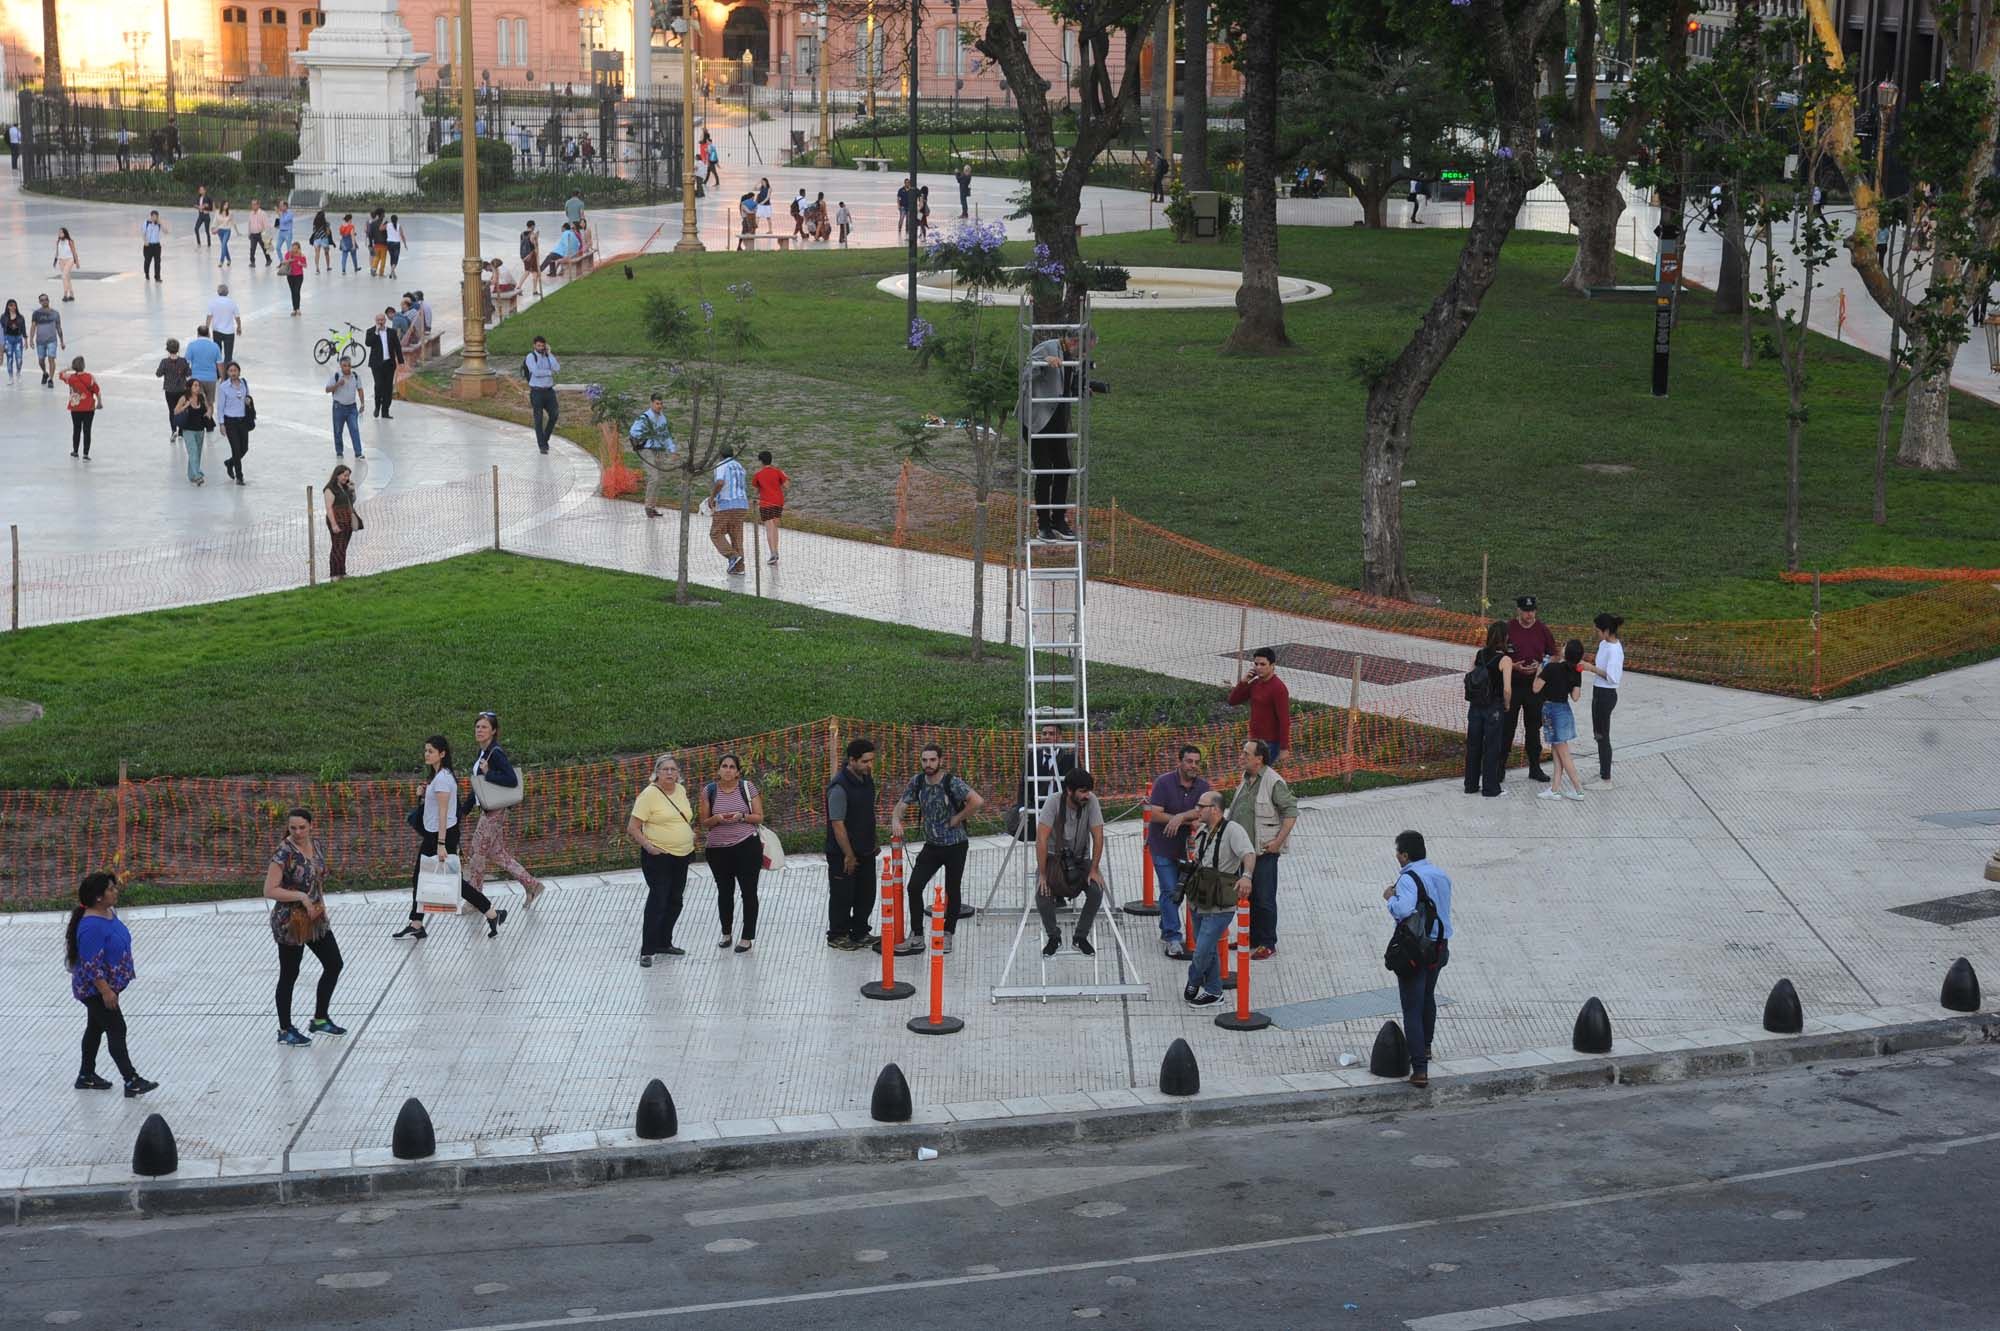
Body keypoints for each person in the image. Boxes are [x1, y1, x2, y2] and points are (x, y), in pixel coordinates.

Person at [396, 734, 507, 940]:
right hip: (437, 834)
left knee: (452, 881)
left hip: (440, 836)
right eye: (426, 750)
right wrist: (422, 794)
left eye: (431, 751)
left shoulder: (443, 780)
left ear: (442, 754)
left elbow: (443, 813)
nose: (426, 754)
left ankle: (491, 912)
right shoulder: (439, 778)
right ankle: (417, 923)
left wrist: (440, 844)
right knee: (421, 878)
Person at [65, 871, 158, 1095]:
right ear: (98, 897)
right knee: (117, 1028)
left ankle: (86, 1075)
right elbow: (90, 965)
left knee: (95, 1028)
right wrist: (106, 991)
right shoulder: (90, 926)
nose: (115, 891)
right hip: (95, 990)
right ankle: (131, 1080)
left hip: (109, 986)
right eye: (110, 889)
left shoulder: (108, 912)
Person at [890, 744, 985, 954]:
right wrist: (896, 820)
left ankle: (947, 933)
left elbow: (977, 801)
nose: (928, 764)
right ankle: (917, 935)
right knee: (914, 887)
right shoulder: (917, 782)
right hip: (932, 846)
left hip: (955, 845)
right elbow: (901, 804)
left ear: (940, 760)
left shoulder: (951, 782)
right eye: (924, 760)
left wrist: (958, 818)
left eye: (932, 760)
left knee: (952, 889)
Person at [263, 807, 346, 1047]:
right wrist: (300, 896)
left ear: (311, 825)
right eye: (293, 828)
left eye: (302, 827)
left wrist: (320, 905)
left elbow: (318, 879)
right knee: (289, 974)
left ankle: (320, 1018)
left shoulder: (316, 845)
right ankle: (285, 1029)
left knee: (334, 963)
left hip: (315, 918)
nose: (298, 832)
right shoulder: (283, 853)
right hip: (290, 922)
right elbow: (269, 890)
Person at [1384, 829, 1452, 1088]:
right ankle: (1425, 1048)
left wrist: (1390, 898)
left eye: (1398, 853)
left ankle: (1420, 1070)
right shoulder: (1441, 875)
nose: (1397, 857)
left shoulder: (1408, 879)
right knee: (1427, 998)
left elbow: (1403, 910)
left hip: (1416, 949)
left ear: (1405, 855)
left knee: (1411, 1006)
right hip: (1439, 946)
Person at [1180, 792, 1255, 1008]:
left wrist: (1246, 877)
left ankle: (1193, 979)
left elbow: (1249, 854)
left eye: (1201, 806)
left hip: (1220, 901)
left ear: (1214, 808)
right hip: (1199, 898)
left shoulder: (1233, 831)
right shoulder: (1203, 830)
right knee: (1208, 948)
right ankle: (1214, 992)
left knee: (1202, 949)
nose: (1197, 809)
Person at [1227, 739, 1297, 961]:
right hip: (1243, 852)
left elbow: (1291, 812)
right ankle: (1250, 937)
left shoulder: (1273, 782)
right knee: (1247, 896)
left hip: (1263, 852)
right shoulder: (1245, 778)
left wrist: (1277, 842)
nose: (1241, 756)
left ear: (1259, 759)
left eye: (1246, 754)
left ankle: (1267, 942)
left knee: (1264, 898)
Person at [1020, 327, 1092, 541]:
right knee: (1044, 471)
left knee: (1064, 467)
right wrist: (1043, 362)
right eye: (1086, 350)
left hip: (1057, 420)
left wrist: (1083, 389)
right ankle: (1043, 526)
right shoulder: (1048, 348)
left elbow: (1066, 385)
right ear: (1074, 342)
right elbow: (1026, 375)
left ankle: (1058, 520)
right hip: (1036, 421)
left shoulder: (1071, 357)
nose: (1086, 355)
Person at [468, 710, 547, 906]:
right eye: (477, 727)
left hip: (495, 811)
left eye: (484, 727)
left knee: (477, 852)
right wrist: (464, 808)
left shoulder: (496, 753)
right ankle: (532, 884)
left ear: (493, 731)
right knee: (496, 853)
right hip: (488, 809)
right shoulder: (483, 752)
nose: (479, 730)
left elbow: (511, 780)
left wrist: (488, 774)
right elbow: (479, 784)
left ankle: (475, 900)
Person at [628, 752, 695, 966]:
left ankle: (664, 942)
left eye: (673, 769)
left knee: (676, 900)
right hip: (659, 857)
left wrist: (688, 834)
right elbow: (633, 827)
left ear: (678, 774)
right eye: (665, 769)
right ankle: (647, 949)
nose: (669, 773)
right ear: (656, 773)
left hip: (682, 855)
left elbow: (681, 817)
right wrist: (649, 846)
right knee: (658, 900)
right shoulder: (649, 795)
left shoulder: (681, 790)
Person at [1143, 744, 1210, 958]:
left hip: (1189, 850)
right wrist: (1183, 818)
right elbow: (1155, 814)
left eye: (1197, 762)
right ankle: (1173, 937)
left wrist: (1179, 817)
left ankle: (1166, 924)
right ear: (1179, 762)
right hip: (1162, 846)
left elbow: (1204, 812)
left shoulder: (1203, 786)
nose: (1193, 766)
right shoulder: (1163, 783)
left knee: (1178, 893)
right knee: (1170, 890)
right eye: (1189, 761)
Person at [1036, 768, 1106, 957]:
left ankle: (1080, 936)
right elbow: (1041, 838)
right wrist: (1042, 874)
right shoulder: (1053, 802)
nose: (1087, 795)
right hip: (1053, 858)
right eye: (1082, 791)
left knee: (1096, 889)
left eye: (1089, 790)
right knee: (1042, 894)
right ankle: (1053, 936)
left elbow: (1098, 836)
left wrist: (1094, 869)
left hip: (1080, 858)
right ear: (1069, 791)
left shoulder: (1091, 802)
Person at [700, 753, 765, 953]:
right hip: (718, 850)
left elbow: (759, 816)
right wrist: (717, 818)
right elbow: (704, 822)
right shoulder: (709, 791)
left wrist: (742, 816)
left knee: (748, 892)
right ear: (718, 770)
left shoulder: (747, 787)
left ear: (738, 772)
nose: (727, 770)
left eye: (731, 767)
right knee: (725, 892)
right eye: (724, 766)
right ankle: (726, 932)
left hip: (746, 846)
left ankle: (747, 936)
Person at [824, 738, 880, 950]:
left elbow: (867, 814)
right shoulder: (839, 787)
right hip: (843, 854)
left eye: (871, 761)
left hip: (865, 851)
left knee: (866, 894)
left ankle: (860, 932)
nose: (869, 765)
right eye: (865, 761)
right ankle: (837, 935)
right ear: (852, 760)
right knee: (842, 895)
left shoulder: (866, 779)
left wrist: (872, 842)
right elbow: (838, 825)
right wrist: (848, 855)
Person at [1504, 595, 1558, 783]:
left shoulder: (1542, 629)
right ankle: (1500, 767)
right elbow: (1497, 654)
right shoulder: (1508, 628)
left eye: (1533, 611)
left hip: (1534, 687)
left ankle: (1535, 767)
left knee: (1533, 728)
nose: (1530, 614)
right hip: (1513, 685)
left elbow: (1554, 655)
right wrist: (1513, 665)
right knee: (1507, 727)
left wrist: (1541, 665)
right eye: (1526, 611)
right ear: (1518, 610)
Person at [1463, 621, 1515, 798]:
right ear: (1505, 638)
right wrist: (1507, 704)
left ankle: (1470, 784)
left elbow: (1470, 676)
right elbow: (1507, 688)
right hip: (1494, 707)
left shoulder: (1479, 654)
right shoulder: (1505, 660)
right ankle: (1490, 787)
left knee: (1473, 745)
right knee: (1492, 747)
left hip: (1476, 705)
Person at [1532, 639, 1588, 802]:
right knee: (1557, 752)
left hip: (1551, 711)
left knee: (1564, 754)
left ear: (1566, 652)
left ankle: (1578, 790)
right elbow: (1575, 697)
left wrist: (1539, 669)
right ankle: (1555, 789)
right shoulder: (1576, 671)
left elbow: (1536, 688)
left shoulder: (1551, 667)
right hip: (1565, 710)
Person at [1579, 612, 1625, 787]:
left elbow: (1613, 677)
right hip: (1598, 692)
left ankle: (1606, 779)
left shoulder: (1614, 650)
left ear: (1606, 630)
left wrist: (1591, 668)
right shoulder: (1604, 644)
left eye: (1598, 631)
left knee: (1602, 735)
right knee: (1598, 735)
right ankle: (1602, 772)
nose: (1596, 634)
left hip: (1606, 694)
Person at [1227, 647, 1292, 768]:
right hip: (1253, 740)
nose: (1258, 667)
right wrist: (1243, 682)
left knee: (1259, 774)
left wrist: (1284, 748)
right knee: (1250, 772)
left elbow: (1284, 720)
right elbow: (1232, 701)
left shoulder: (1278, 688)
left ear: (1272, 665)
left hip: (1270, 743)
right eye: (1256, 664)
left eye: (1263, 664)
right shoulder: (1255, 683)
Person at [630, 393, 677, 517]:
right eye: (657, 403)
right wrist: (648, 434)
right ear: (651, 403)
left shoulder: (662, 418)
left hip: (659, 450)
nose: (659, 406)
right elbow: (634, 431)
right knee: (654, 477)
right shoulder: (644, 418)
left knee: (658, 479)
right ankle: (648, 506)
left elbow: (666, 435)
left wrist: (672, 449)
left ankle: (652, 506)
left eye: (661, 403)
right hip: (647, 449)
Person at [709, 444, 750, 574]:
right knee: (736, 536)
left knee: (716, 533)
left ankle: (732, 556)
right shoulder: (739, 466)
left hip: (726, 503)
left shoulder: (721, 465)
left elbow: (720, 482)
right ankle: (739, 568)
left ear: (720, 455)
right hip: (742, 504)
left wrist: (712, 497)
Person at [58, 356, 103, 460]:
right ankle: (86, 453)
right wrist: (99, 403)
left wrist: (68, 368)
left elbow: (60, 374)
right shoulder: (90, 377)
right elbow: (97, 391)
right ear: (84, 366)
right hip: (88, 408)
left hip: (75, 408)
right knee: (87, 430)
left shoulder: (71, 378)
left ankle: (75, 451)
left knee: (76, 429)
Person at [215, 360, 252, 483]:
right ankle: (239, 476)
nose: (233, 373)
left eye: (235, 370)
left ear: (239, 371)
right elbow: (220, 407)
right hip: (230, 421)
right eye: (230, 371)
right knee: (236, 449)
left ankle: (230, 462)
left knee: (244, 448)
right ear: (227, 373)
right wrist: (221, 424)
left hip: (243, 420)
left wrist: (248, 401)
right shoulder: (224, 387)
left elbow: (248, 397)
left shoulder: (244, 384)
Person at [322, 463, 361, 577]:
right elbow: (329, 508)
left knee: (343, 547)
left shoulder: (345, 487)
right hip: (337, 519)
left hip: (347, 519)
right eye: (344, 475)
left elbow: (351, 501)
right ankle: (335, 574)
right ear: (337, 475)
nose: (346, 478)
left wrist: (352, 490)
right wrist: (334, 524)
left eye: (348, 476)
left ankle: (342, 573)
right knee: (337, 547)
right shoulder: (329, 489)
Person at [751, 449, 789, 562]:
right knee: (775, 527)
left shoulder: (758, 475)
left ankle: (772, 553)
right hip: (778, 502)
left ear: (761, 462)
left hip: (765, 503)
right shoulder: (778, 472)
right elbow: (787, 485)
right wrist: (785, 476)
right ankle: (776, 550)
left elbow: (755, 491)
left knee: (769, 528)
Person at [325, 356, 366, 457]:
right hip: (338, 407)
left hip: (352, 407)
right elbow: (327, 389)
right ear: (341, 366)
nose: (347, 368)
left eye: (349, 366)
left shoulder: (355, 376)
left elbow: (360, 389)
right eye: (344, 366)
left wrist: (362, 403)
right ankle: (339, 452)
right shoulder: (336, 376)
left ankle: (358, 453)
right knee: (338, 430)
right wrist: (337, 384)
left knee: (355, 429)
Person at [524, 335, 559, 450]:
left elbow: (557, 368)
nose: (541, 347)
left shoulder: (547, 356)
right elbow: (536, 372)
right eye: (538, 345)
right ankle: (542, 445)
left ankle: (545, 438)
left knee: (554, 415)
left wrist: (550, 353)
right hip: (537, 392)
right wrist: (549, 372)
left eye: (543, 346)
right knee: (538, 419)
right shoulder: (530, 357)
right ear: (534, 345)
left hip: (549, 392)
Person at [174, 381, 213, 486]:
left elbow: (208, 407)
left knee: (198, 453)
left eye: (198, 385)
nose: (197, 387)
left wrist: (209, 412)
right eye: (195, 385)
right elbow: (176, 412)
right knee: (193, 451)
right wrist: (185, 406)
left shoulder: (201, 397)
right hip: (188, 430)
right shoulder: (184, 398)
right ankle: (197, 475)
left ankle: (191, 475)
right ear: (190, 387)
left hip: (200, 429)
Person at [366, 310, 402, 419]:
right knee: (379, 386)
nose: (380, 322)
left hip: (389, 364)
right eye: (378, 320)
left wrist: (401, 361)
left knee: (388, 388)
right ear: (375, 321)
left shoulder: (392, 332)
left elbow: (397, 347)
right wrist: (376, 332)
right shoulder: (371, 331)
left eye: (382, 320)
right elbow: (368, 343)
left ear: (385, 321)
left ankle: (385, 411)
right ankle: (377, 407)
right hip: (376, 365)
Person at [154, 337, 191, 439]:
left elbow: (158, 374)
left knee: (172, 410)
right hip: (181, 389)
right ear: (178, 349)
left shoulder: (164, 362)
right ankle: (181, 431)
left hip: (169, 390)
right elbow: (189, 374)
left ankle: (173, 430)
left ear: (167, 349)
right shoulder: (183, 361)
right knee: (182, 409)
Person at [30, 293, 64, 387]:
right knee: (41, 360)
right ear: (40, 302)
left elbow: (58, 327)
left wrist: (61, 341)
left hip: (52, 340)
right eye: (42, 300)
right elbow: (33, 326)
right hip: (40, 341)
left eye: (46, 299)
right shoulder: (36, 313)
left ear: (48, 300)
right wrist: (31, 339)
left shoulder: (55, 313)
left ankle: (51, 379)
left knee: (51, 359)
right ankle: (45, 372)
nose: (44, 301)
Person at [206, 283, 242, 363]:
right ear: (227, 292)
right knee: (228, 355)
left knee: (218, 354)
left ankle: (218, 372)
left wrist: (207, 329)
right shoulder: (232, 302)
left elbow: (209, 317)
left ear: (218, 292)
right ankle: (227, 371)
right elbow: (237, 316)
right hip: (229, 332)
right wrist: (239, 327)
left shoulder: (213, 302)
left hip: (217, 331)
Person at [184, 323, 221, 396]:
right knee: (210, 403)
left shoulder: (192, 345)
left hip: (196, 379)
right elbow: (219, 364)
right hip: (211, 378)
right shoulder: (215, 346)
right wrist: (222, 378)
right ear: (209, 334)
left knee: (198, 403)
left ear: (198, 334)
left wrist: (186, 377)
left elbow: (186, 363)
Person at [52, 227, 79, 302]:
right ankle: (72, 294)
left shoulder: (70, 241)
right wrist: (55, 260)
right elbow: (57, 252)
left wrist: (77, 262)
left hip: (69, 260)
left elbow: (74, 252)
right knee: (67, 278)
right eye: (59, 232)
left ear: (65, 233)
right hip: (61, 260)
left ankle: (65, 294)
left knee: (63, 276)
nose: (60, 234)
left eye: (61, 232)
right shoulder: (58, 241)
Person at [0, 298, 24, 382]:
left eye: (14, 305)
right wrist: (1, 344)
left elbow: (23, 329)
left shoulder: (20, 317)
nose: (13, 307)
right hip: (8, 339)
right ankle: (10, 376)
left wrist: (26, 340)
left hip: (18, 339)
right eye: (11, 305)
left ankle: (18, 372)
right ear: (7, 307)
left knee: (19, 358)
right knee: (9, 358)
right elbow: (1, 330)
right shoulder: (3, 317)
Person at [283, 241, 308, 315]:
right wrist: (289, 260)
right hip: (290, 275)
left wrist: (301, 264)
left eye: (295, 248)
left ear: (298, 249)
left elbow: (305, 265)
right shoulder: (288, 254)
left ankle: (298, 309)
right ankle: (294, 309)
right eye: (293, 248)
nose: (294, 249)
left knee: (297, 291)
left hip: (299, 275)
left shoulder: (302, 256)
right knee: (293, 292)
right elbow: (283, 262)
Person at [519, 219, 543, 297]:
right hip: (531, 255)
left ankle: (533, 290)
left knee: (530, 271)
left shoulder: (522, 234)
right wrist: (536, 238)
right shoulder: (532, 234)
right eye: (534, 226)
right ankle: (519, 287)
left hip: (523, 255)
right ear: (532, 226)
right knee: (531, 272)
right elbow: (535, 246)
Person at [140, 210, 165, 282]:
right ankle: (146, 273)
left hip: (157, 246)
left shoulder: (159, 224)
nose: (155, 218)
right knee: (147, 261)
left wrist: (161, 223)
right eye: (153, 216)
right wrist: (145, 241)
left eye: (156, 217)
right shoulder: (146, 223)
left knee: (157, 262)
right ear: (151, 216)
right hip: (148, 246)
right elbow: (143, 233)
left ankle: (157, 277)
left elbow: (166, 231)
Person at [245, 200, 270, 266]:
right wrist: (249, 233)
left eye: (254, 204)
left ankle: (268, 260)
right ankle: (252, 262)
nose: (253, 206)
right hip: (253, 234)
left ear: (258, 205)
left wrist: (265, 235)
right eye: (252, 204)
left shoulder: (262, 213)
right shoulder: (251, 213)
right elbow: (249, 224)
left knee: (264, 248)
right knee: (252, 249)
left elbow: (266, 224)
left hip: (261, 234)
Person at [215, 200, 235, 266]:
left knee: (223, 245)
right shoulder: (217, 212)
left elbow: (231, 222)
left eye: (227, 205)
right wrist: (213, 228)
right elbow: (215, 221)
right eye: (225, 205)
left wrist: (237, 232)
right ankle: (229, 259)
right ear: (222, 205)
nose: (226, 206)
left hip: (227, 230)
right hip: (219, 231)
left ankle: (221, 261)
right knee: (224, 246)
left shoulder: (230, 213)